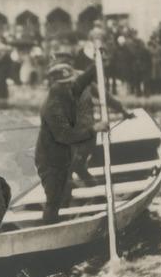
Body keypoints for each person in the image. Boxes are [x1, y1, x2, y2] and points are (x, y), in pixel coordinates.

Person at [36, 61, 108, 224]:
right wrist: (94, 129)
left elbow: (82, 82)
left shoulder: (65, 93)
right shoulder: (52, 107)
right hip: (50, 160)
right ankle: (50, 231)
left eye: (69, 82)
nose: (70, 85)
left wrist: (97, 63)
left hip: (64, 155)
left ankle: (65, 220)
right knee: (54, 200)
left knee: (66, 190)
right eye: (65, 83)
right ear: (55, 85)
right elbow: (65, 136)